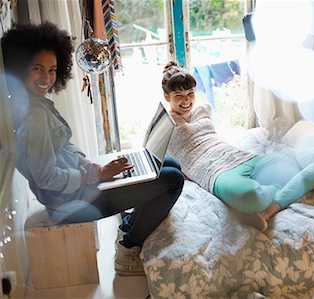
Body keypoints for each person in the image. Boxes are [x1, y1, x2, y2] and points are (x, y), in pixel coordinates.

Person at [1, 22, 184, 276]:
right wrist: (98, 175)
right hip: (71, 203)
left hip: (79, 188)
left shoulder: (36, 104)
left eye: (52, 69)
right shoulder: (34, 118)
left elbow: (63, 145)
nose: (47, 78)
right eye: (37, 69)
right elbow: (46, 178)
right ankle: (128, 247)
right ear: (21, 69)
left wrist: (92, 166)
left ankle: (130, 224)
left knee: (169, 164)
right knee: (172, 179)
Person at [161, 61, 314, 231]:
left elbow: (209, 138)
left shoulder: (203, 111)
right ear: (167, 97)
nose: (186, 101)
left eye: (190, 93)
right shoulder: (164, 123)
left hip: (244, 158)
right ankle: (297, 182)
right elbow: (155, 156)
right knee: (253, 198)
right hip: (215, 172)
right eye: (179, 96)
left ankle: (275, 205)